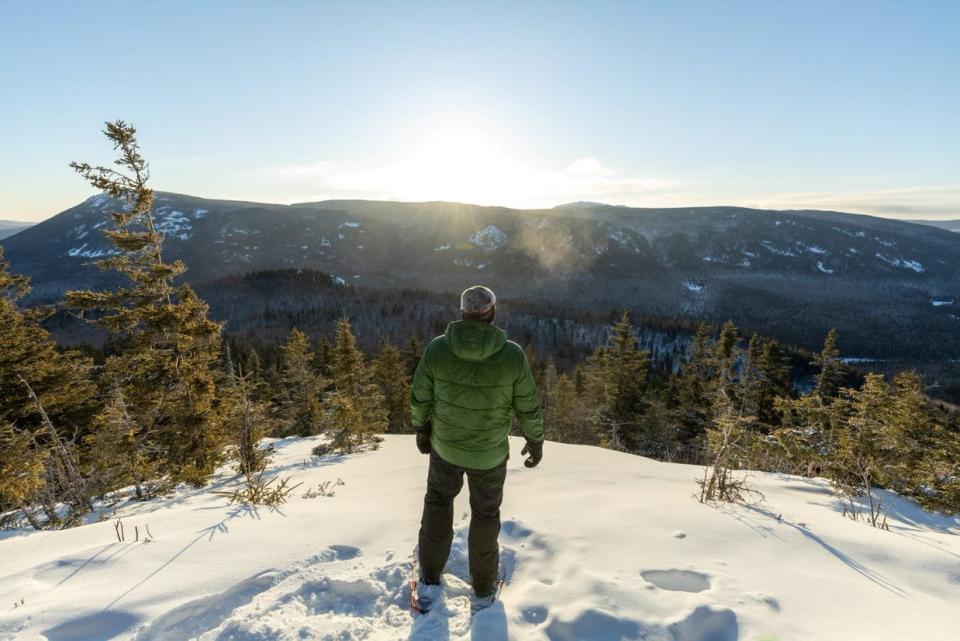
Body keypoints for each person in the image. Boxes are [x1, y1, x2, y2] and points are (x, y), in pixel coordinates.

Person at [410, 285, 544, 613]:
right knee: (485, 516)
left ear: (462, 313)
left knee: (438, 505)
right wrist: (535, 439)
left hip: (446, 449)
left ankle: (429, 580)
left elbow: (420, 395)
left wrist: (421, 428)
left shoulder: (438, 350)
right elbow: (527, 404)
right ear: (492, 313)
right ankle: (483, 591)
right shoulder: (511, 355)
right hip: (490, 455)